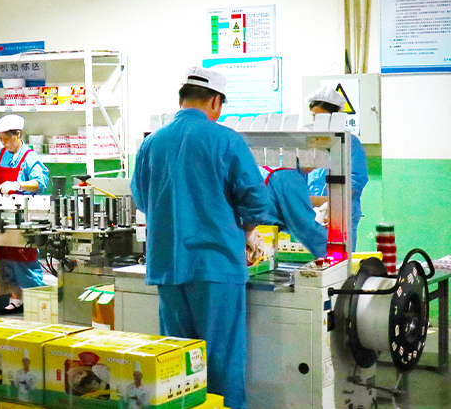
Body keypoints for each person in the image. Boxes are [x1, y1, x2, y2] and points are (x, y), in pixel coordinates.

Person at [130, 67, 275, 409]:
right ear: (215, 102)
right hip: (215, 267)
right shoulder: (225, 140)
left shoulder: (151, 143)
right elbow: (257, 200)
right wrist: (248, 230)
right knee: (221, 359)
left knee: (179, 364)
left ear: (182, 99)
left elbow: (141, 199)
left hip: (167, 267)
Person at [0, 114, 50, 312]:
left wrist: (18, 184)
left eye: (6, 138)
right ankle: (16, 299)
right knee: (5, 258)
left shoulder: (29, 157)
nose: (3, 142)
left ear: (17, 134)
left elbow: (40, 183)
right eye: (0, 138)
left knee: (23, 259)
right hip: (1, 215)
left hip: (22, 217)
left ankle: (37, 302)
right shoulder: (1, 155)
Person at [304, 86, 369, 248]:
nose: (317, 123)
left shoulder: (350, 144)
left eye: (321, 118)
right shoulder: (312, 143)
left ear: (335, 117)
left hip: (342, 216)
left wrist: (327, 201)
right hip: (312, 216)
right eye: (314, 117)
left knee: (340, 258)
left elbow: (356, 182)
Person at [259, 166, 328, 258]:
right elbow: (304, 226)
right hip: (255, 238)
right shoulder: (289, 176)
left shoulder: (271, 169)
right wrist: (335, 246)